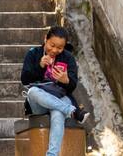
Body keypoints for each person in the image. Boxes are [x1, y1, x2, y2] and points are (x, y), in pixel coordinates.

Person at [21, 26, 89, 156]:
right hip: (39, 102)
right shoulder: (33, 53)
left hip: (60, 96)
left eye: (60, 48)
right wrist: (40, 66)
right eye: (52, 45)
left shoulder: (68, 58)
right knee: (32, 92)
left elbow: (73, 85)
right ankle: (71, 110)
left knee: (58, 113)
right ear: (45, 39)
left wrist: (66, 80)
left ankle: (52, 154)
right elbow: (24, 80)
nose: (54, 50)